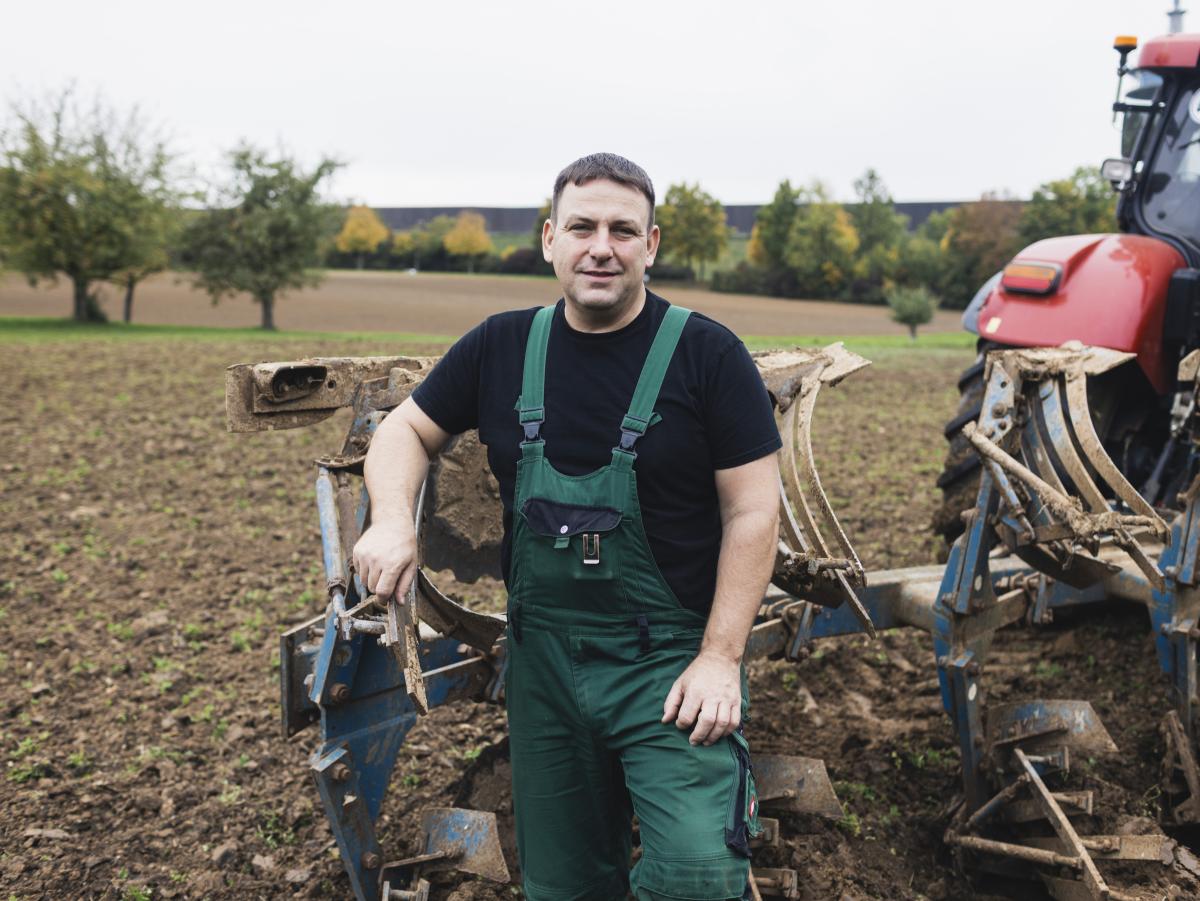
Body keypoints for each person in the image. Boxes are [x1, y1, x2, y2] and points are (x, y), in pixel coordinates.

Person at [353, 153, 782, 900]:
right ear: (551, 238)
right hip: (544, 665)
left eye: (623, 229)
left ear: (651, 246)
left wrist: (720, 656)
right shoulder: (500, 345)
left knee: (699, 874)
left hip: (667, 665)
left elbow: (754, 507)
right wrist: (393, 520)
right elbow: (405, 432)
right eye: (582, 226)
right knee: (565, 887)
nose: (601, 246)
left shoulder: (706, 354)